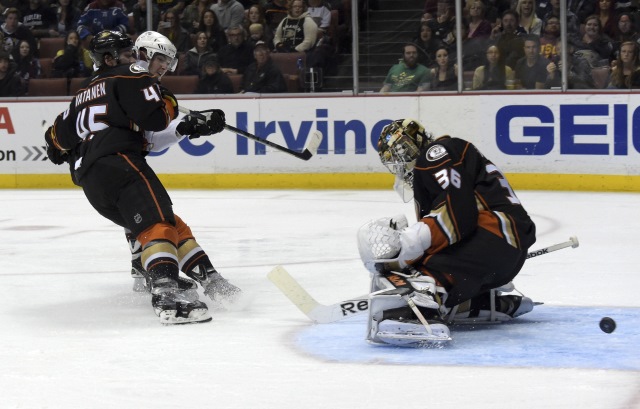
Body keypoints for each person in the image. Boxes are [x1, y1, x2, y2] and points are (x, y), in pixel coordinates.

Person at [43, 30, 235, 325]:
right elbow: (156, 119)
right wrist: (167, 99)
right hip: (118, 163)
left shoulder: (80, 95)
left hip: (92, 183)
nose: (135, 59)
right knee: (157, 224)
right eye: (128, 53)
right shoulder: (131, 75)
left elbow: (55, 145)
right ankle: (165, 292)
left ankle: (209, 278)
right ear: (110, 58)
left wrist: (187, 127)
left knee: (167, 221)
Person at [357, 118, 536, 345]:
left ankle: (417, 315)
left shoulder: (435, 153)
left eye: (402, 152)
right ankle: (472, 302)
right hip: (503, 254)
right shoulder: (442, 161)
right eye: (394, 159)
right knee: (421, 260)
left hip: (491, 238)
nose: (401, 163)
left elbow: (460, 213)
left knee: (410, 271)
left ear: (416, 142)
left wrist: (411, 241)